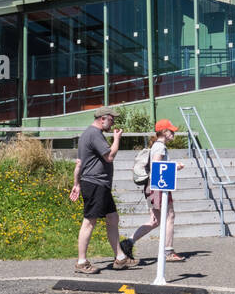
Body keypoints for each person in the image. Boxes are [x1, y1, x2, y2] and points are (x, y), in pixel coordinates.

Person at [69, 106, 137, 274]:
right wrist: (116, 138)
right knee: (89, 221)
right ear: (102, 119)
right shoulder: (94, 134)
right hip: (95, 184)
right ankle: (81, 262)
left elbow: (79, 163)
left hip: (99, 184)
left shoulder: (90, 134)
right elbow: (109, 156)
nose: (113, 122)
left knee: (113, 218)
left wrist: (76, 184)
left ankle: (120, 258)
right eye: (111, 119)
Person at [120, 119, 185, 264]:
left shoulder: (157, 146)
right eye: (171, 130)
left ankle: (128, 243)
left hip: (152, 187)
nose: (173, 133)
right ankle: (168, 251)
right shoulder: (160, 147)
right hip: (158, 187)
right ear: (163, 132)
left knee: (155, 220)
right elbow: (157, 166)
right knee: (169, 216)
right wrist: (175, 167)